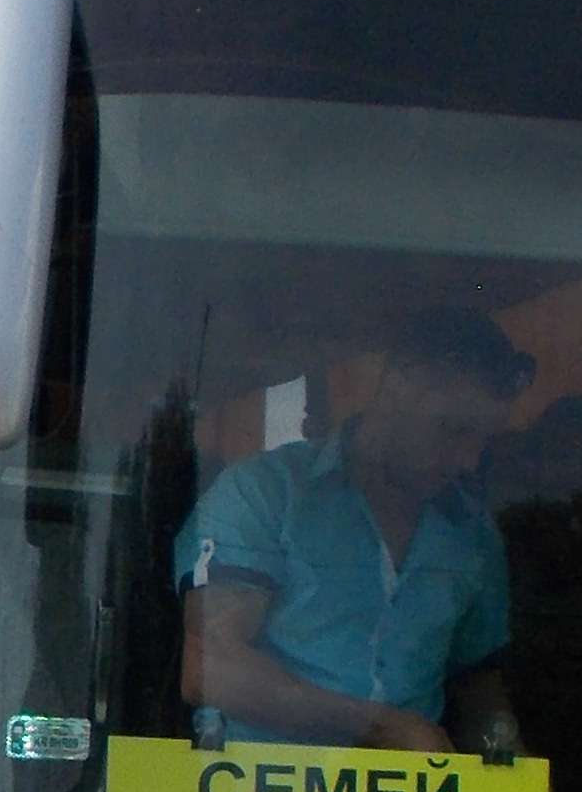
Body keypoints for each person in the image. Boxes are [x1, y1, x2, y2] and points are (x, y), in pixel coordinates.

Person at [174, 304, 530, 756]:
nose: (469, 460)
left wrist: (507, 756)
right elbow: (210, 662)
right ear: (400, 383)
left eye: (484, 440)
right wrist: (383, 727)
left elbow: (475, 680)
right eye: (454, 429)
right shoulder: (264, 493)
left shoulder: (473, 536)